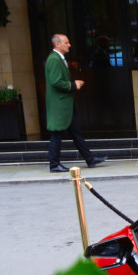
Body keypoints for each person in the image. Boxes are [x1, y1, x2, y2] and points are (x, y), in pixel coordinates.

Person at [44, 34, 104, 173]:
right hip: (60, 105)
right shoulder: (54, 59)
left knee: (76, 133)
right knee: (57, 133)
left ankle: (90, 159)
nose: (69, 45)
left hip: (64, 105)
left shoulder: (58, 58)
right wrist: (73, 85)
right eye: (66, 42)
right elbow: (55, 81)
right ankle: (54, 164)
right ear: (57, 44)